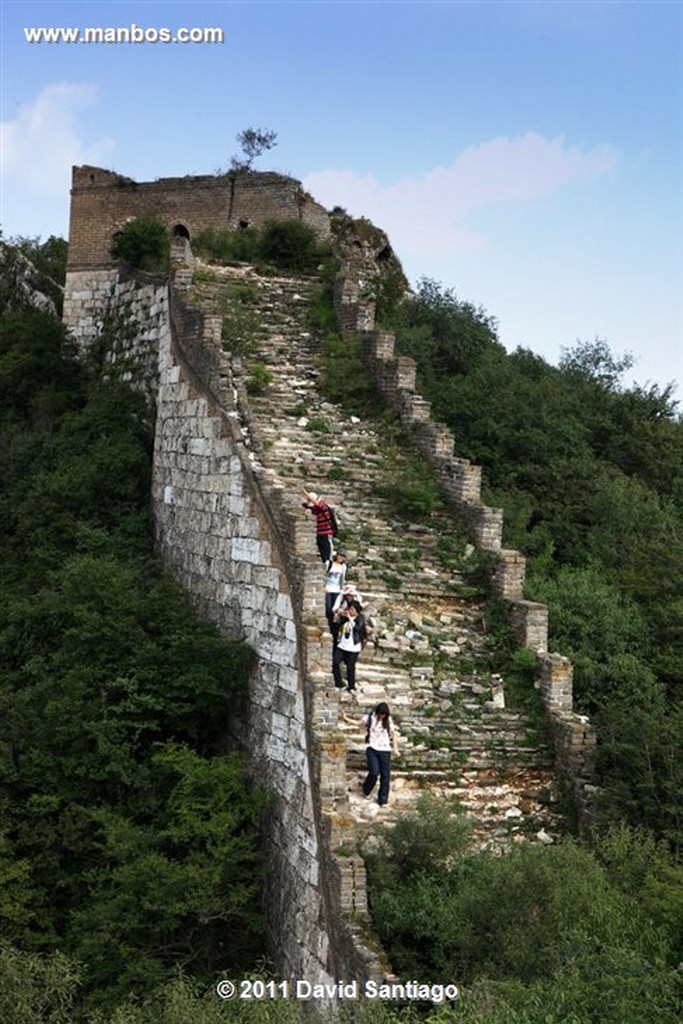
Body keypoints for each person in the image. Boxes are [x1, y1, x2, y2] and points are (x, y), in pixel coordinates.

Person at [362, 702, 399, 807]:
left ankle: (383, 800)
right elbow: (358, 723)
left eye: (384, 715)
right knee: (374, 772)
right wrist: (345, 718)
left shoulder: (388, 720)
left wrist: (395, 748)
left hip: (385, 750)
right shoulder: (370, 717)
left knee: (385, 776)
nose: (382, 716)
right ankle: (366, 790)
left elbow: (394, 734)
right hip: (372, 748)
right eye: (381, 714)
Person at [332, 600, 368, 692]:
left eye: (352, 609)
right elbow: (336, 625)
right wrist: (339, 615)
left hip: (353, 647)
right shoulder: (346, 618)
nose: (350, 611)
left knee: (350, 667)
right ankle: (339, 683)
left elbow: (357, 628)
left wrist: (350, 618)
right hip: (342, 645)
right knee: (336, 662)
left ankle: (351, 686)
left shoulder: (360, 618)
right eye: (350, 609)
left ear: (357, 611)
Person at [301, 488, 336, 564]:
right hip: (319, 534)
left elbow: (317, 504)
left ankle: (328, 566)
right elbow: (306, 506)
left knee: (327, 555)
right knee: (322, 552)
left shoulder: (324, 507)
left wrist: (306, 494)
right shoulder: (316, 510)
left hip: (326, 534)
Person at [324, 552, 347, 636]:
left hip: (337, 590)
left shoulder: (343, 567)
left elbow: (342, 579)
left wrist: (342, 589)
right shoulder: (329, 563)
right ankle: (328, 624)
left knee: (335, 609)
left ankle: (333, 628)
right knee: (328, 608)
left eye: (343, 556)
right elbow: (324, 574)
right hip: (328, 588)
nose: (341, 558)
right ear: (336, 555)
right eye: (340, 555)